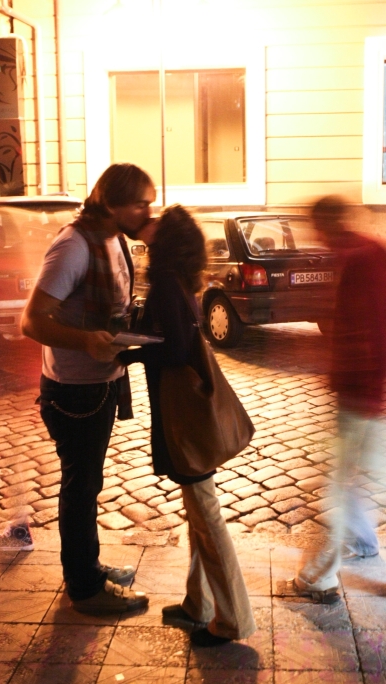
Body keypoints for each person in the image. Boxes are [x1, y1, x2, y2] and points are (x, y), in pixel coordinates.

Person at [118, 204, 256, 647]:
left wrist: (130, 352)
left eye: (157, 219)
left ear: (168, 239)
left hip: (184, 413)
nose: (149, 219)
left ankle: (233, 619)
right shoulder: (179, 279)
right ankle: (200, 604)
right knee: (198, 512)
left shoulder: (164, 283)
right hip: (186, 410)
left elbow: (175, 350)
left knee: (206, 516)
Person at [21, 163, 156, 613]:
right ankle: (84, 587)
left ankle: (89, 567)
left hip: (100, 382)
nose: (148, 211)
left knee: (88, 484)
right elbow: (31, 321)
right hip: (74, 390)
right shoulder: (74, 246)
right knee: (80, 488)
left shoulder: (113, 239)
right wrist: (85, 341)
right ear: (113, 204)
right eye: (140, 204)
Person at [279, 195, 386, 603]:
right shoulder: (366, 252)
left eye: (317, 226)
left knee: (340, 486)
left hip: (360, 392)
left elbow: (367, 329)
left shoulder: (359, 259)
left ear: (328, 223)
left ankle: (319, 577)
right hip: (361, 389)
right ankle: (364, 542)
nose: (315, 234)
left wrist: (357, 382)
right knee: (353, 480)